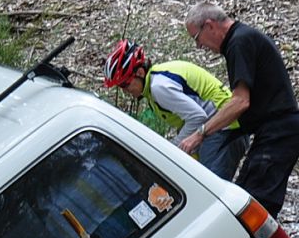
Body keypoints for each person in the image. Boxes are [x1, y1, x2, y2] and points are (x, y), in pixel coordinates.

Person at [179, 1, 299, 216]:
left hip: (280, 133)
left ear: (209, 26)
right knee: (247, 203)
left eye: (196, 38)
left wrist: (199, 134)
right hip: (275, 132)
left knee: (251, 210)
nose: (199, 47)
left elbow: (240, 101)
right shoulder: (240, 40)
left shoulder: (239, 42)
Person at [103, 39, 250, 180]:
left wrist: (174, 148)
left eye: (125, 85)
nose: (125, 91)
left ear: (140, 72)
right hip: (221, 126)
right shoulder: (156, 81)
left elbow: (198, 117)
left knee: (217, 193)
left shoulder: (159, 87)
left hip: (224, 127)